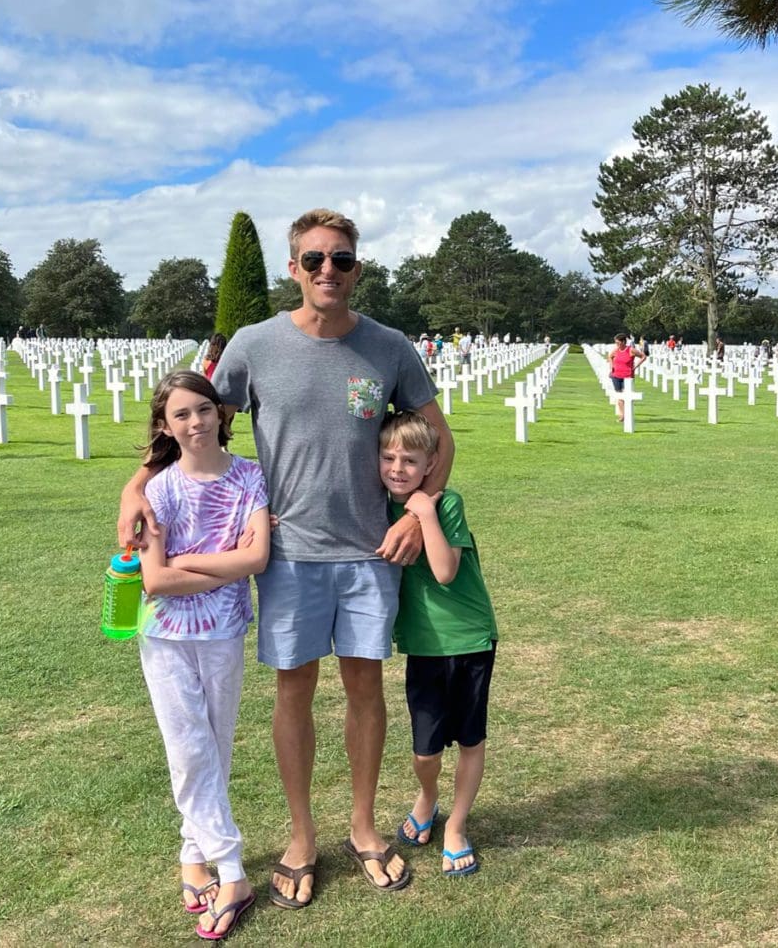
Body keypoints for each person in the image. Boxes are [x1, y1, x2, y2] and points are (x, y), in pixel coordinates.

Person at [118, 208, 454, 909]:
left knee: (365, 689)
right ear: (294, 268)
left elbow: (439, 438)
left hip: (369, 553)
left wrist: (421, 513)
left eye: (341, 260)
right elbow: (194, 418)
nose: (328, 271)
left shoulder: (389, 347)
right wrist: (135, 485)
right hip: (288, 556)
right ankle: (302, 836)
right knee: (293, 693)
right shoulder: (254, 344)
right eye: (313, 260)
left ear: (357, 268)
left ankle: (362, 828)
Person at [135, 370, 270, 940]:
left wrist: (188, 565)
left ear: (221, 413)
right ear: (166, 427)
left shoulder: (250, 479)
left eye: (203, 410)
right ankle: (233, 870)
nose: (195, 423)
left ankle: (194, 852)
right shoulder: (159, 490)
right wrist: (225, 559)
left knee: (212, 742)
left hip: (222, 632)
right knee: (187, 748)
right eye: (181, 415)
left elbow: (259, 558)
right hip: (164, 635)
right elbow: (155, 582)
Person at [378, 411, 497, 877]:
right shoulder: (377, 506)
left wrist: (424, 510)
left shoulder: (446, 504)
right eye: (388, 457)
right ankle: (427, 797)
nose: (397, 468)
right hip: (423, 646)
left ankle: (457, 827)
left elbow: (445, 572)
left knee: (470, 738)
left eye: (410, 459)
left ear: (430, 465)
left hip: (468, 639)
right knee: (425, 750)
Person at [606, 333, 647, 423]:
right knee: (619, 396)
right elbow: (610, 357)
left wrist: (635, 366)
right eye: (616, 343)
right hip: (616, 376)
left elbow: (643, 357)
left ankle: (628, 414)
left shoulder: (631, 350)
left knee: (627, 396)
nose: (617, 345)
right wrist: (611, 367)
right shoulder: (616, 350)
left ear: (624, 341)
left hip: (627, 377)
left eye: (618, 343)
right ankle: (623, 415)